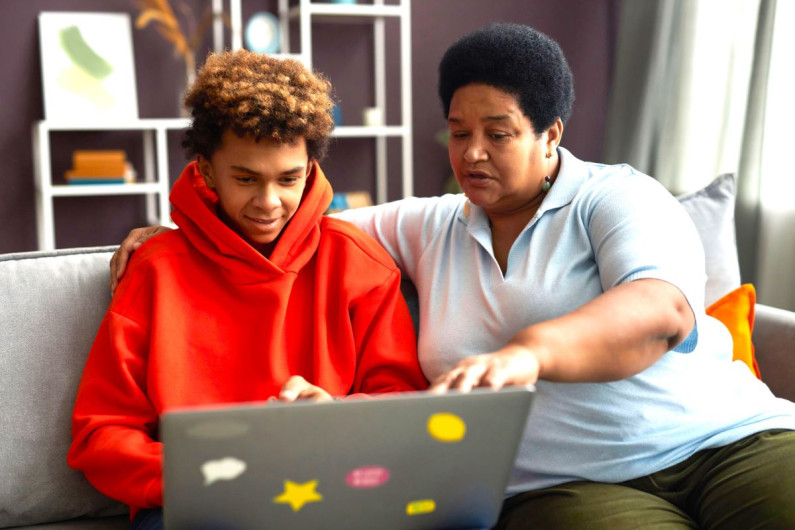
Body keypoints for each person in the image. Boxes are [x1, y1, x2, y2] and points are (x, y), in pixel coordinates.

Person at [110, 24, 795, 529]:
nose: (471, 153)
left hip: (729, 439)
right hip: (565, 487)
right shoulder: (425, 224)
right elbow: (291, 219)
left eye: (498, 133)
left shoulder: (615, 197)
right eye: (457, 130)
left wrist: (528, 354)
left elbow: (659, 312)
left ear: (549, 135)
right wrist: (176, 228)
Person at [68, 49, 428, 529]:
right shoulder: (154, 270)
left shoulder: (356, 262)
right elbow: (102, 433)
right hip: (194, 504)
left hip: (328, 494)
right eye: (245, 178)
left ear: (311, 170)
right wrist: (200, 476)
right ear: (207, 169)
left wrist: (339, 416)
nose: (268, 202)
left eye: (288, 179)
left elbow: (405, 403)